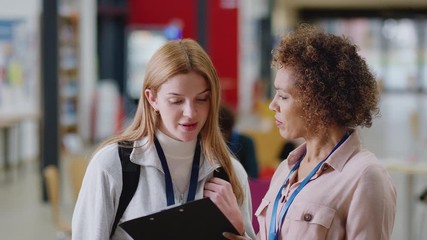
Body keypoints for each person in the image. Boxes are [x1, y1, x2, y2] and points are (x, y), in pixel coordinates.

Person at [224, 24, 396, 240]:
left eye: (283, 96)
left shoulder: (365, 176)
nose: (272, 105)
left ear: (320, 102)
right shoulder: (285, 170)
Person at [72, 39, 256, 239]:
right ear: (152, 99)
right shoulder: (111, 166)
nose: (190, 113)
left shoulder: (230, 172)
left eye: (201, 99)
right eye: (176, 100)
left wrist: (238, 229)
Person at [219, 104, 259, 178]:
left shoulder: (246, 142)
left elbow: (253, 174)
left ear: (229, 130)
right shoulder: (207, 143)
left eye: (221, 133)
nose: (219, 138)